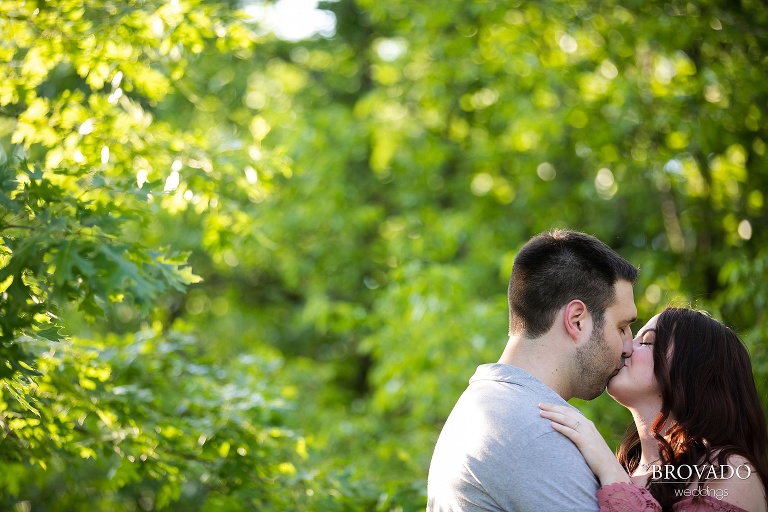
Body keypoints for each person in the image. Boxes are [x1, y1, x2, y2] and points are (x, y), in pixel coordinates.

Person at [427, 229, 639, 511]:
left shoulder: (487, 405)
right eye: (622, 327)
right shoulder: (537, 433)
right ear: (577, 320)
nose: (629, 346)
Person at [539, 307, 768, 511]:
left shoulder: (726, 469)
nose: (625, 348)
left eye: (647, 342)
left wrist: (610, 471)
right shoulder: (625, 468)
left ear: (693, 371)